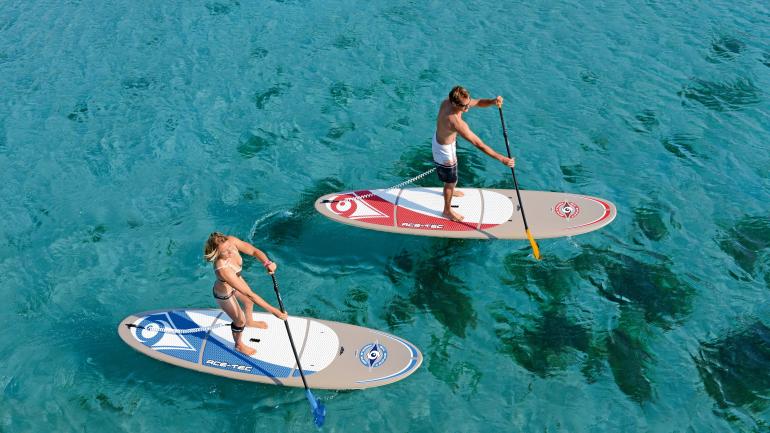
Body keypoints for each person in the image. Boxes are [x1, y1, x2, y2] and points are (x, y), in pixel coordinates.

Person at [433, 85, 516, 222]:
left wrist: (492, 101)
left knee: (453, 178)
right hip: (443, 151)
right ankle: (447, 210)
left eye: (468, 104)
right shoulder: (456, 123)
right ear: (454, 103)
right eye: (464, 106)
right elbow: (479, 144)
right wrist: (502, 159)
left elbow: (477, 102)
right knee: (450, 181)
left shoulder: (451, 100)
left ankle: (451, 190)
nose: (467, 108)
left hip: (446, 141)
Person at [203, 232, 287, 356]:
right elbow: (249, 294)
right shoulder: (222, 269)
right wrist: (274, 312)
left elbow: (254, 251)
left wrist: (267, 263)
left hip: (237, 280)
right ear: (217, 253)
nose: (230, 252)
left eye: (230, 247)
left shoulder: (231, 240)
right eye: (224, 252)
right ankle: (238, 345)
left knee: (248, 302)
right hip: (224, 293)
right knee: (239, 321)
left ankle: (250, 322)